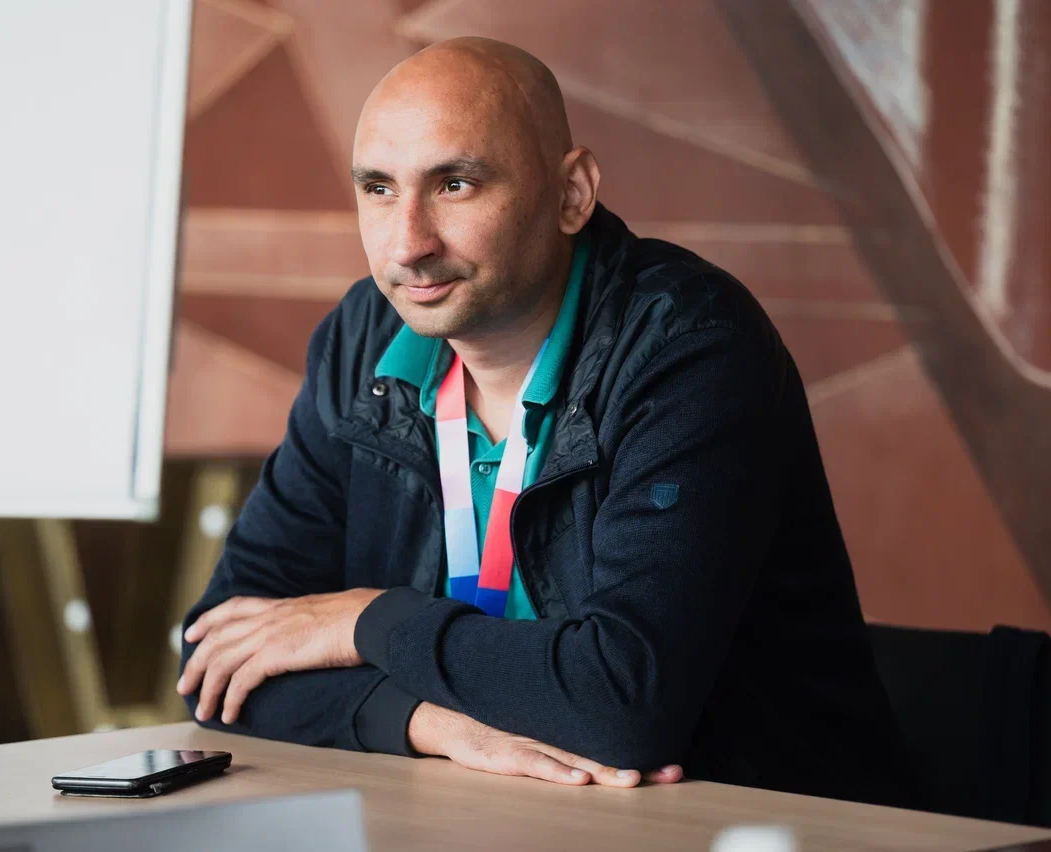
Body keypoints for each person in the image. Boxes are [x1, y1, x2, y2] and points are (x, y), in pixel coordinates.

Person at [176, 36, 915, 806]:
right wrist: (427, 723)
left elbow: (621, 708)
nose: (408, 244)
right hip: (483, 817)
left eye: (455, 184)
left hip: (755, 827)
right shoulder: (362, 342)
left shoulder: (690, 347)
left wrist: (368, 623)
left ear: (572, 193)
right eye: (378, 188)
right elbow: (213, 662)